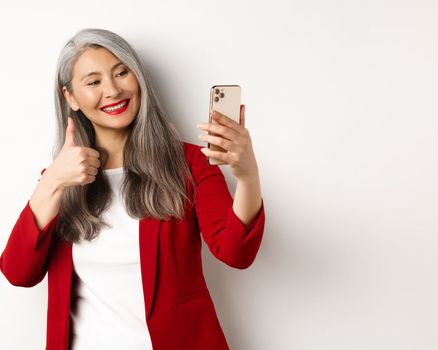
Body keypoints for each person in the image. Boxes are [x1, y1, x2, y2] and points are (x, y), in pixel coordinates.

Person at [0, 28, 266, 350]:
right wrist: (53, 180)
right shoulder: (60, 178)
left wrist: (248, 176)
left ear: (138, 78)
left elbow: (236, 253)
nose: (112, 90)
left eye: (121, 72)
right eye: (94, 81)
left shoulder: (190, 163)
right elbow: (18, 273)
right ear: (70, 97)